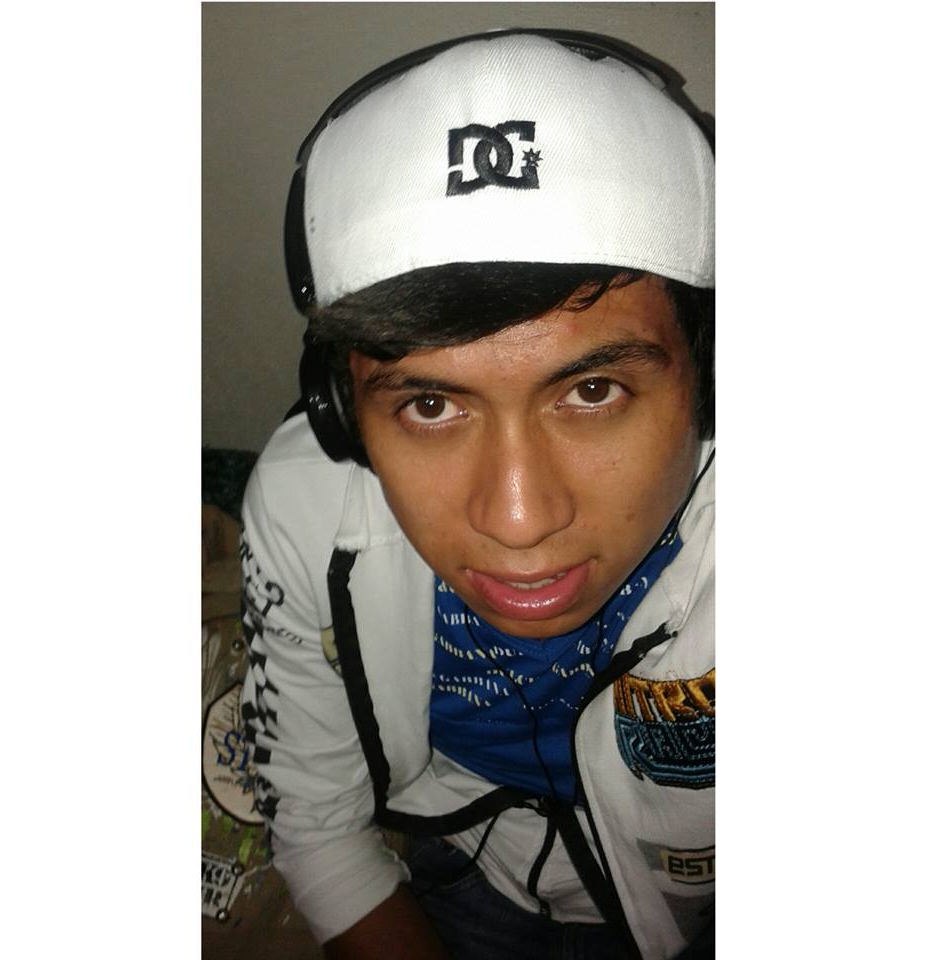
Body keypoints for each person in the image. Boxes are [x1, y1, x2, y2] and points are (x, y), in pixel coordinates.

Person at [239, 29, 714, 960]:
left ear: (711, 374)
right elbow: (319, 824)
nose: (520, 520)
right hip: (461, 869)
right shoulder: (306, 502)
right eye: (430, 405)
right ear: (343, 413)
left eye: (593, 390)